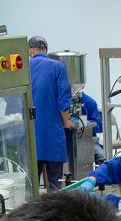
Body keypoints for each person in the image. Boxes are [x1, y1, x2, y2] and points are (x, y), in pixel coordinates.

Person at [28, 35, 72, 190]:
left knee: (32, 187)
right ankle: (55, 213)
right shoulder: (57, 66)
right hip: (53, 136)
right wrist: (67, 121)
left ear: (30, 51)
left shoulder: (25, 68)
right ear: (45, 50)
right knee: (55, 186)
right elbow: (63, 99)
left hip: (32, 138)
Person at [79, 89, 105, 163]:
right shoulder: (62, 101)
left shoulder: (89, 102)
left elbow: (99, 127)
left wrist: (86, 125)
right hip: (66, 141)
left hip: (89, 140)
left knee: (102, 157)